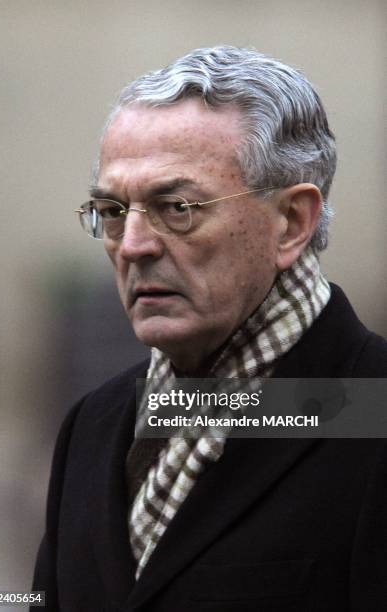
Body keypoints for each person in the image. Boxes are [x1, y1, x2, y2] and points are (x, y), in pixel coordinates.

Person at [32, 46, 387, 611]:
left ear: (292, 221)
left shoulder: (371, 411)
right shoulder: (92, 426)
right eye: (113, 210)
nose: (133, 246)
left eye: (177, 207)